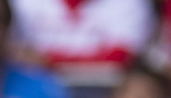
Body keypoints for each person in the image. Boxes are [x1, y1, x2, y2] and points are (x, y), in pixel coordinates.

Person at [9, 0, 154, 65]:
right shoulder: (22, 3)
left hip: (110, 97)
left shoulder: (130, 3)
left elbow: (123, 56)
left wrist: (49, 60)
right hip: (35, 93)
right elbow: (11, 51)